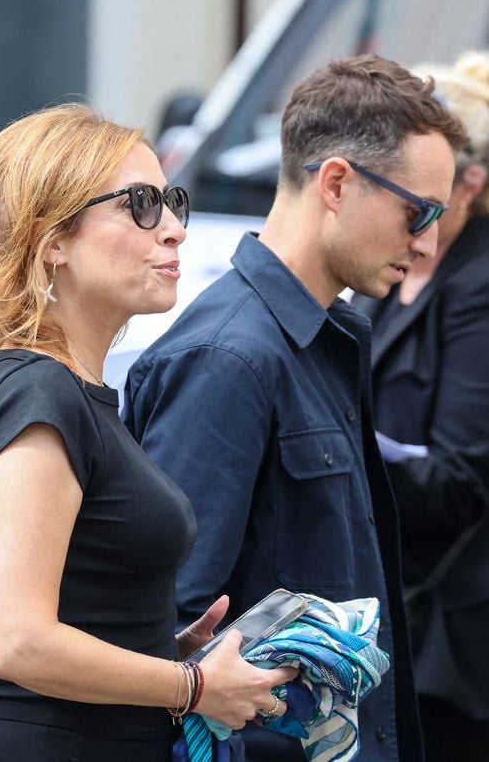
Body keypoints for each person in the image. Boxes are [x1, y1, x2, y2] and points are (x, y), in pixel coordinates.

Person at [122, 54, 468, 762]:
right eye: (418, 210)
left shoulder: (321, 341)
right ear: (337, 182)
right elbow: (166, 633)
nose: (428, 240)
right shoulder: (230, 359)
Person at [0, 103, 297, 762]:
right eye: (141, 204)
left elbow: (68, 610)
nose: (176, 230)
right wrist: (191, 684)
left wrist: (164, 648)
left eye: (172, 201)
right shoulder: (38, 392)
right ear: (52, 240)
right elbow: (17, 639)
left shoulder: (70, 391)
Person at [352, 51, 489, 761]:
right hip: (385, 607)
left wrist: (345, 449)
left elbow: (463, 479)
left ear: (471, 181)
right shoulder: (375, 263)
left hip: (450, 642)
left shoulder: (477, 286)